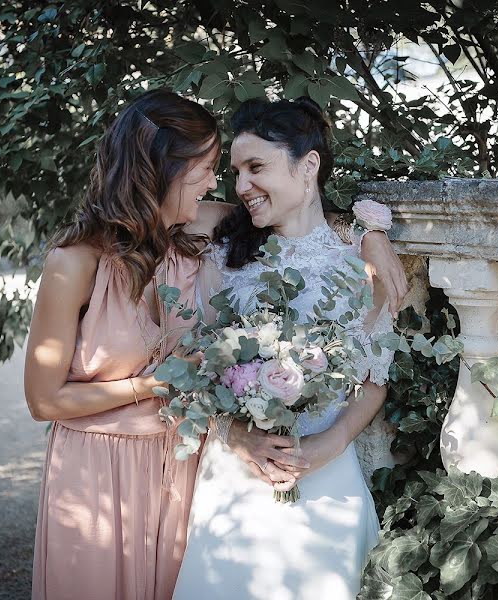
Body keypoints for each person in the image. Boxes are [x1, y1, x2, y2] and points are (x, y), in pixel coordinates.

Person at [25, 90, 405, 600]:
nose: (230, 184)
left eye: (247, 168)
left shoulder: (345, 260)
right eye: (217, 169)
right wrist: (204, 413)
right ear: (163, 169)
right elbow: (48, 397)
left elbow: (371, 372)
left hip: (251, 466)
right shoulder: (189, 246)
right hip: (164, 469)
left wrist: (370, 234)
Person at [173, 97, 396, 600]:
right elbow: (196, 370)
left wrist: (330, 443)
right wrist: (235, 435)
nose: (242, 186)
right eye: (235, 171)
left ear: (309, 164)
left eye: (257, 167)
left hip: (326, 477)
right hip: (236, 482)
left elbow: (373, 378)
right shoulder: (225, 257)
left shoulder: (361, 267)